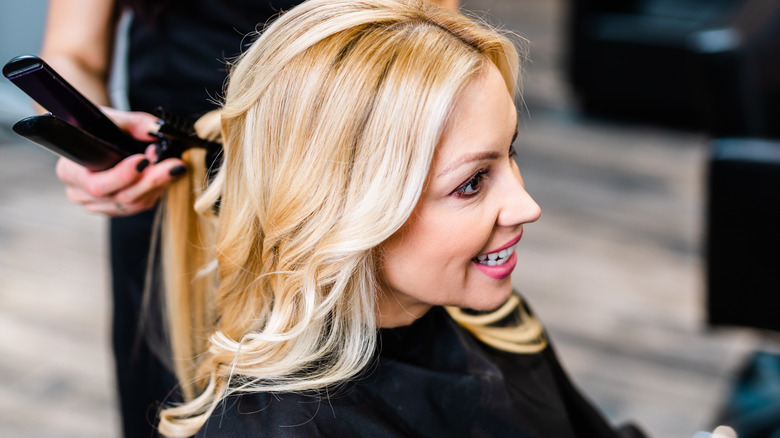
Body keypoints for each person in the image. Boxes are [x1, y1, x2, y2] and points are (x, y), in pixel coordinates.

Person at [152, 0, 649, 437]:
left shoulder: (497, 321)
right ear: (345, 213)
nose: (527, 206)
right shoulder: (279, 427)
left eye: (509, 152)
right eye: (472, 182)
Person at [38, 1, 458, 436]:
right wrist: (92, 137)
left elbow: (422, 40)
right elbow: (73, 54)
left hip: (338, 203)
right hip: (170, 202)